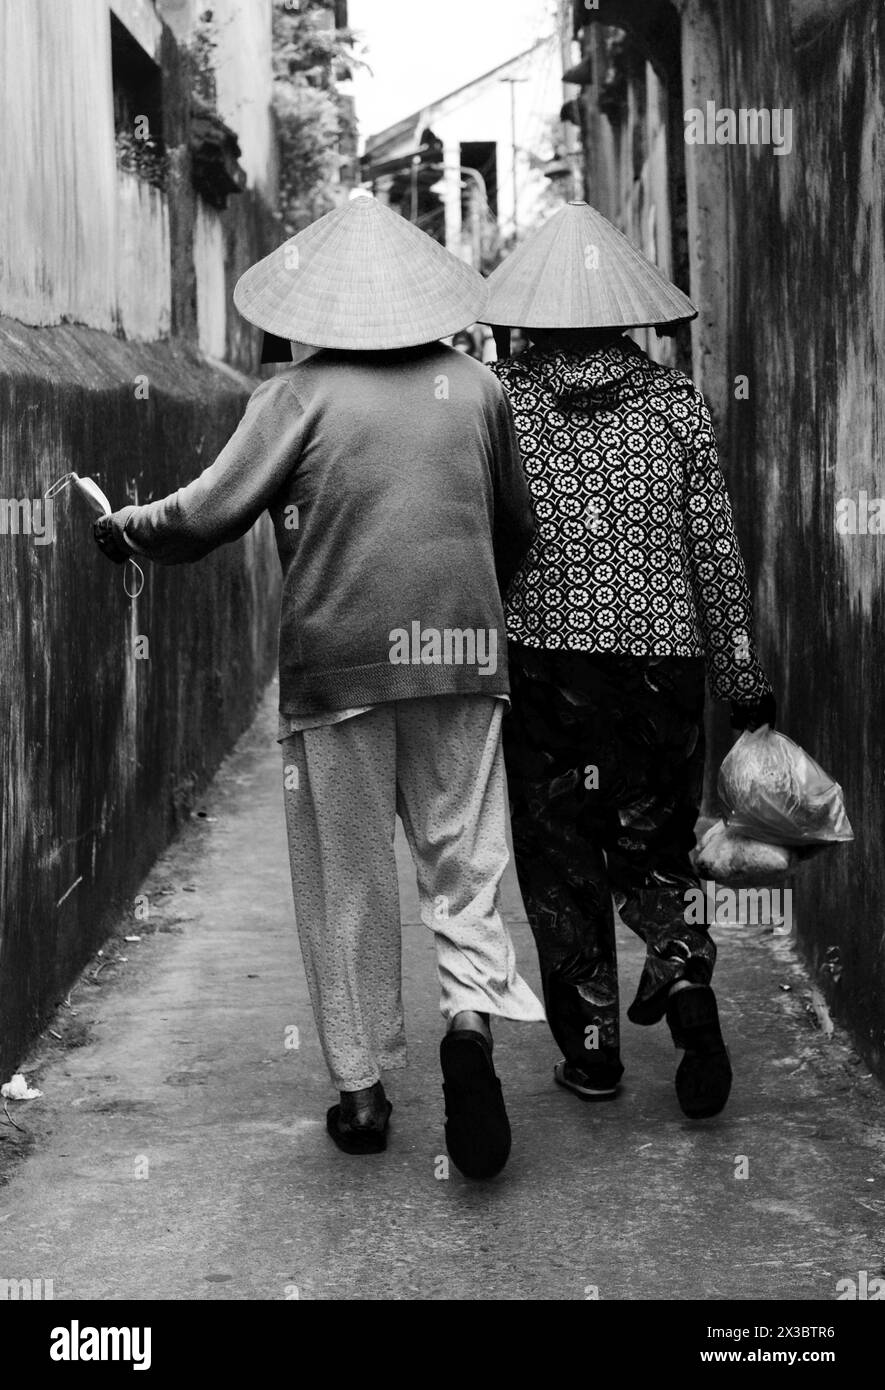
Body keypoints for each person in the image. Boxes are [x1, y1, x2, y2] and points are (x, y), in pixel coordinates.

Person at [93, 193, 545, 1178]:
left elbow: (206, 513)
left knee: (348, 881)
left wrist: (125, 529)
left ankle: (361, 1092)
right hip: (463, 657)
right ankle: (468, 1020)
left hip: (337, 667)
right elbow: (516, 527)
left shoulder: (294, 397)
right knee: (463, 860)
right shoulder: (477, 387)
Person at [482, 200, 775, 1119]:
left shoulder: (501, 403)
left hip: (545, 667)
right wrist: (740, 676)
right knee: (653, 849)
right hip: (664, 668)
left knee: (563, 861)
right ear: (626, 311)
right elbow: (715, 550)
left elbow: (479, 538)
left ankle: (596, 1056)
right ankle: (686, 987)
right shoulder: (677, 405)